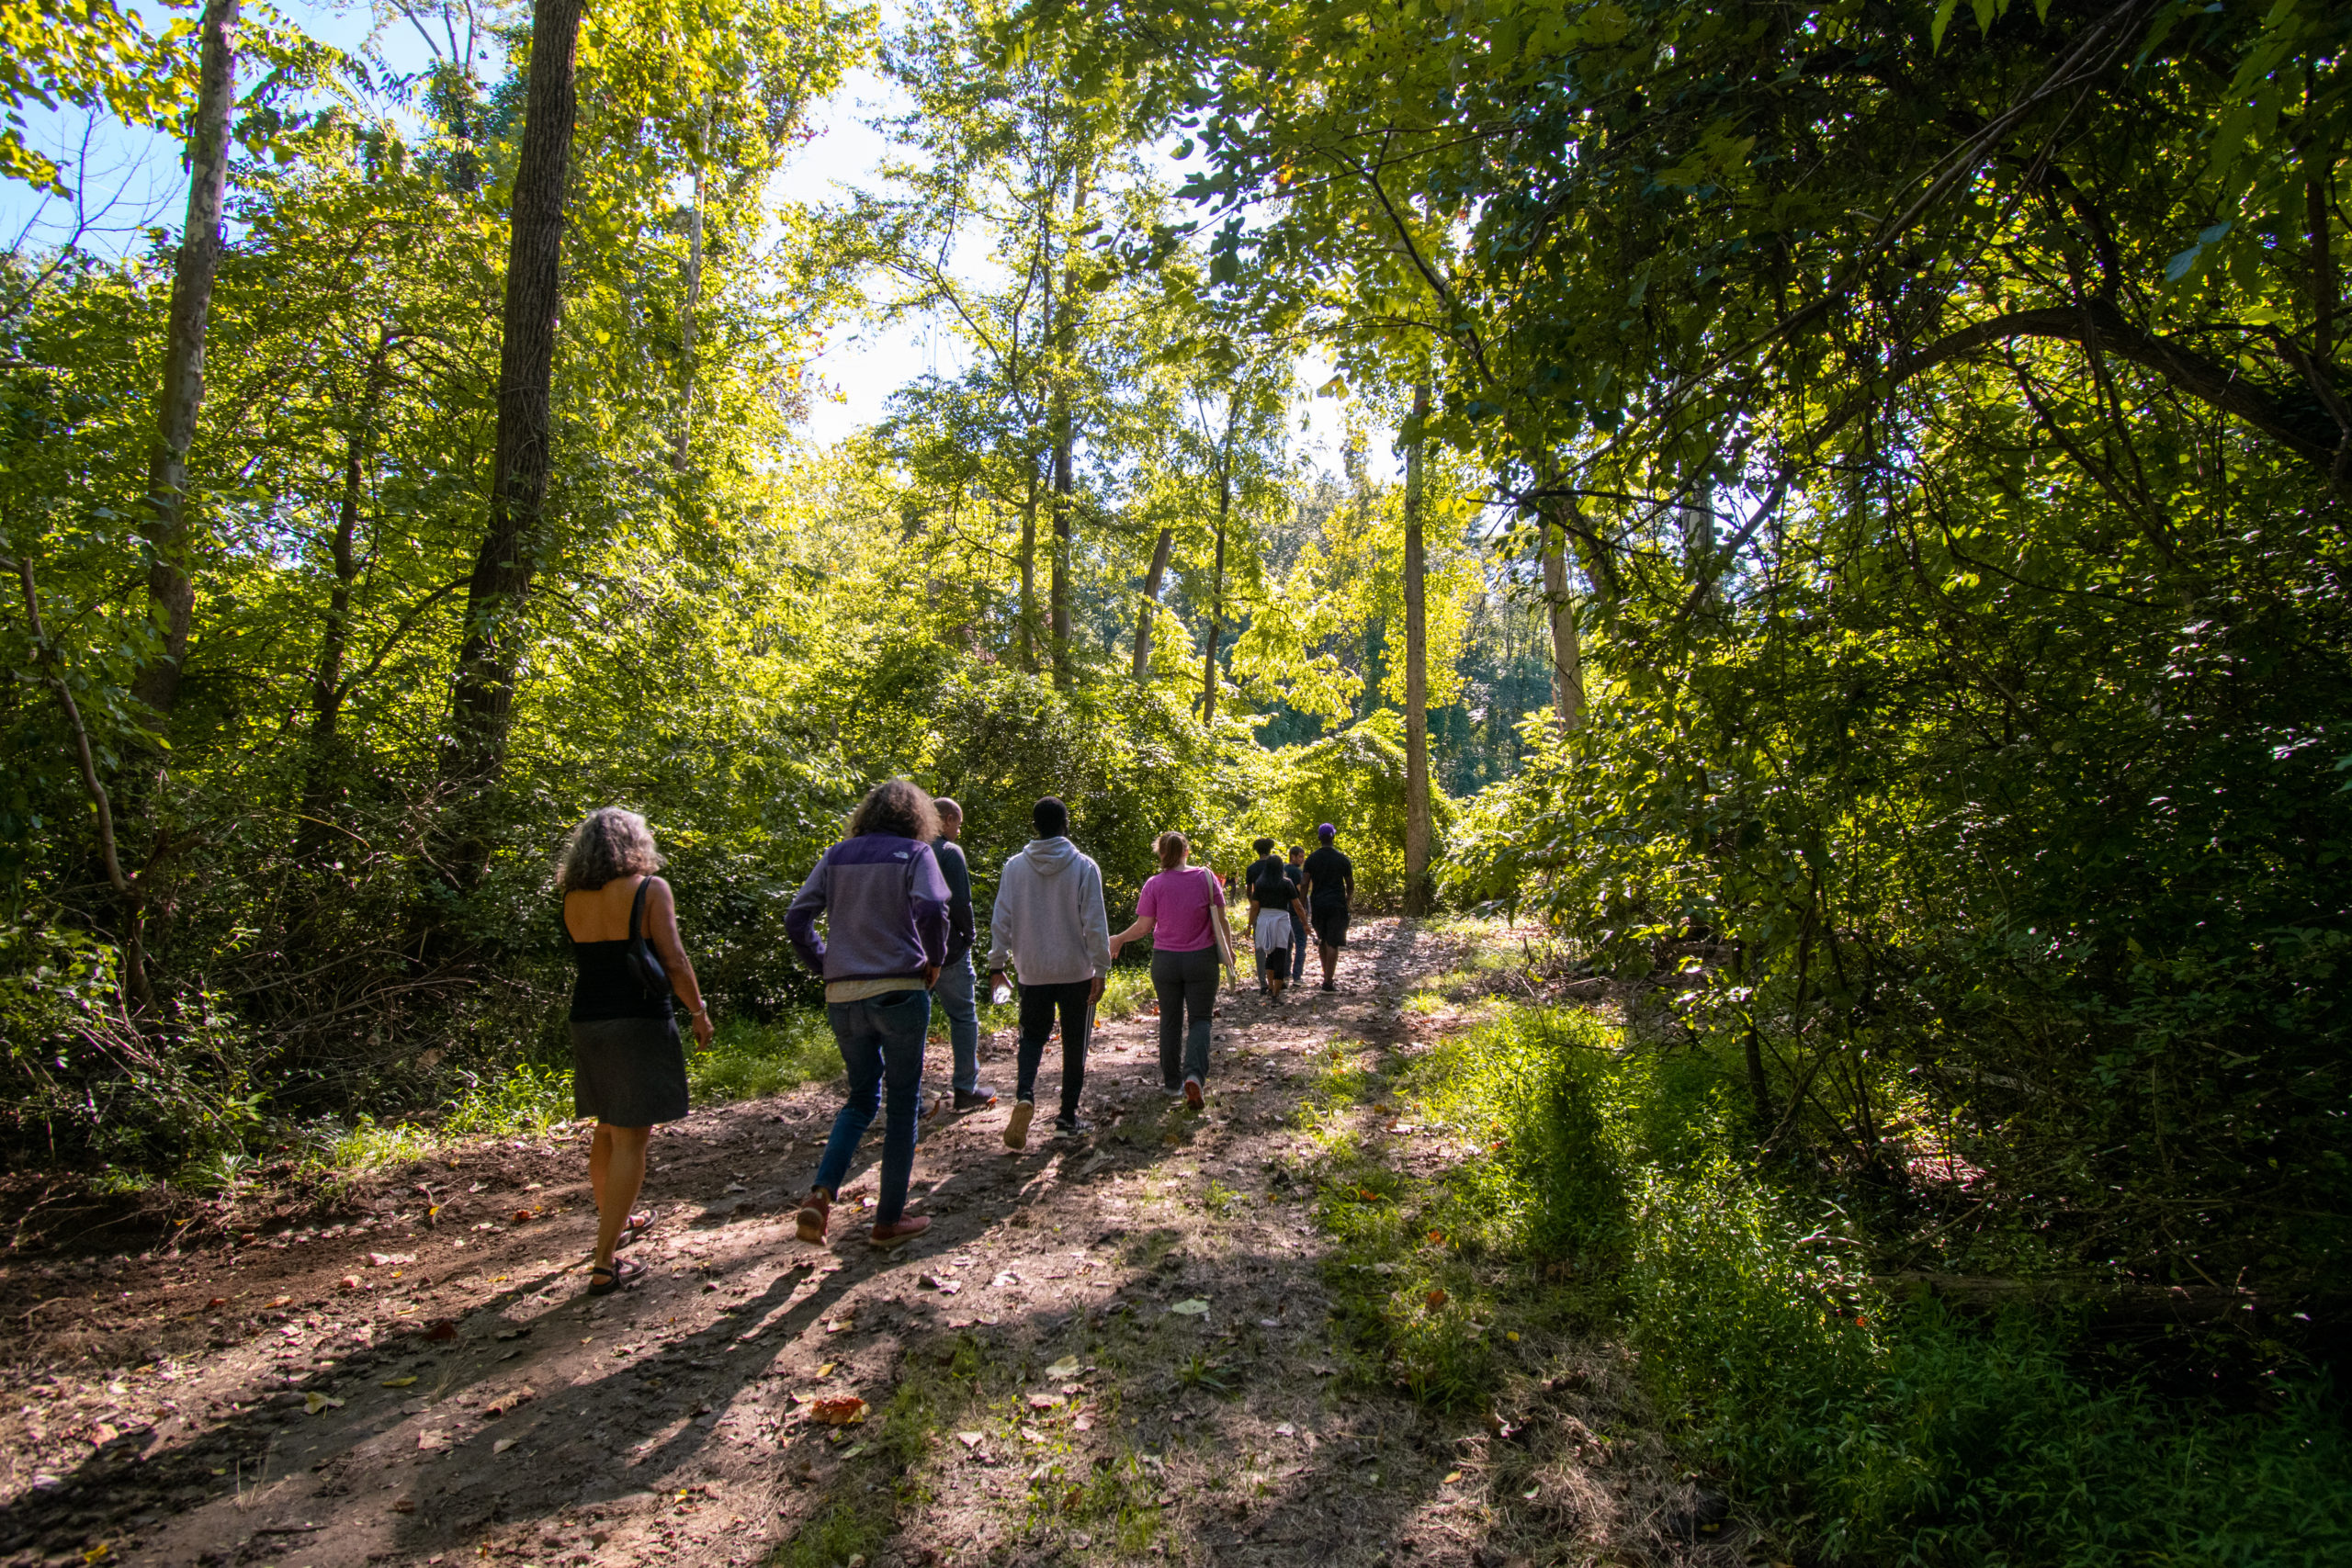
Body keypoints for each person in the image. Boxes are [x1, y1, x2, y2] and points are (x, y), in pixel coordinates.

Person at [785, 779, 950, 1249]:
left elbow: (797, 917)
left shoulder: (837, 855)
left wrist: (825, 963)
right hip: (899, 987)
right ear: (917, 818)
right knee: (901, 1105)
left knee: (859, 1098)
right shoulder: (916, 855)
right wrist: (934, 957)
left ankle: (821, 1193)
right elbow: (935, 905)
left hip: (843, 995)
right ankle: (888, 1220)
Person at [557, 807, 713, 1296]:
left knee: (606, 1128)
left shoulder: (571, 897)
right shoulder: (649, 889)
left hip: (588, 1021)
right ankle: (605, 1262)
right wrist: (697, 1010)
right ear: (635, 844)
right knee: (632, 1139)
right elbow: (674, 958)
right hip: (637, 1019)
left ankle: (616, 1223)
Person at [986, 796, 1111, 1148]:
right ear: (1065, 823)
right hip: (1076, 971)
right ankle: (1066, 1118)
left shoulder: (1014, 867)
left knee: (1031, 1036)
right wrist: (1100, 967)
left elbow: (1002, 920)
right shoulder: (1084, 867)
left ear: (1034, 826)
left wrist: (997, 965)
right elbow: (1094, 924)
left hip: (1032, 970)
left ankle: (1025, 1094)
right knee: (1075, 1043)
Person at [1109, 829, 1233, 1110]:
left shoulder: (1154, 885)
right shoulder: (1206, 877)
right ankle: (1194, 1076)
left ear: (1162, 854)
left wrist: (1118, 939)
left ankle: (1171, 1085)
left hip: (1165, 961)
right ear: (1186, 851)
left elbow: (1143, 928)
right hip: (1201, 960)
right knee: (1201, 1019)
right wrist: (1230, 950)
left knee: (1170, 1021)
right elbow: (1221, 920)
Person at [929, 797, 998, 1112]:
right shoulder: (948, 852)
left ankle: (909, 1098)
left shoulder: (909, 850)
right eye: (957, 823)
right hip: (949, 951)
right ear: (946, 820)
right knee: (963, 1017)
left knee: (912, 1023)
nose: (958, 830)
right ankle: (965, 1087)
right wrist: (969, 936)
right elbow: (960, 902)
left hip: (910, 952)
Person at [1246, 849, 1308, 1003]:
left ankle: (1270, 985)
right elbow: (1297, 905)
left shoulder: (1260, 883)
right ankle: (1275, 994)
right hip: (1281, 919)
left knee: (1269, 954)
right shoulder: (1286, 883)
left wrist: (1249, 925)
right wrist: (1305, 923)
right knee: (1281, 953)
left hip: (1264, 919)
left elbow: (1254, 906)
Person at [1303, 822, 1355, 991]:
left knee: (1322, 940)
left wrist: (1303, 903)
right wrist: (1348, 899)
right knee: (1333, 942)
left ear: (1319, 837)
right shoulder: (1342, 859)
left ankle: (1327, 977)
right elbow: (1350, 884)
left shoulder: (1311, 859)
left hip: (1318, 904)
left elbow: (1304, 883)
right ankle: (1328, 981)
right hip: (1336, 905)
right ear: (1334, 837)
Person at [1242, 838, 1286, 994]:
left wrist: (1255, 903)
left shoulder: (1252, 868)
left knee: (1260, 946)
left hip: (1260, 910)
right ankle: (1279, 979)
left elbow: (1249, 891)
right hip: (1278, 910)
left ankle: (1263, 982)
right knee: (1279, 945)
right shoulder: (1278, 866)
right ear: (1270, 849)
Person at [1285, 843, 1310, 983]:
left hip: (1285, 910)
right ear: (1292, 856)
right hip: (1296, 911)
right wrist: (1304, 909)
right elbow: (1302, 890)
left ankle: (1285, 972)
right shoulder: (1296, 872)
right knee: (1301, 942)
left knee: (1287, 943)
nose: (1302, 859)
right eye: (1300, 856)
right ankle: (1297, 976)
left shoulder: (1282, 869)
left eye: (1303, 857)